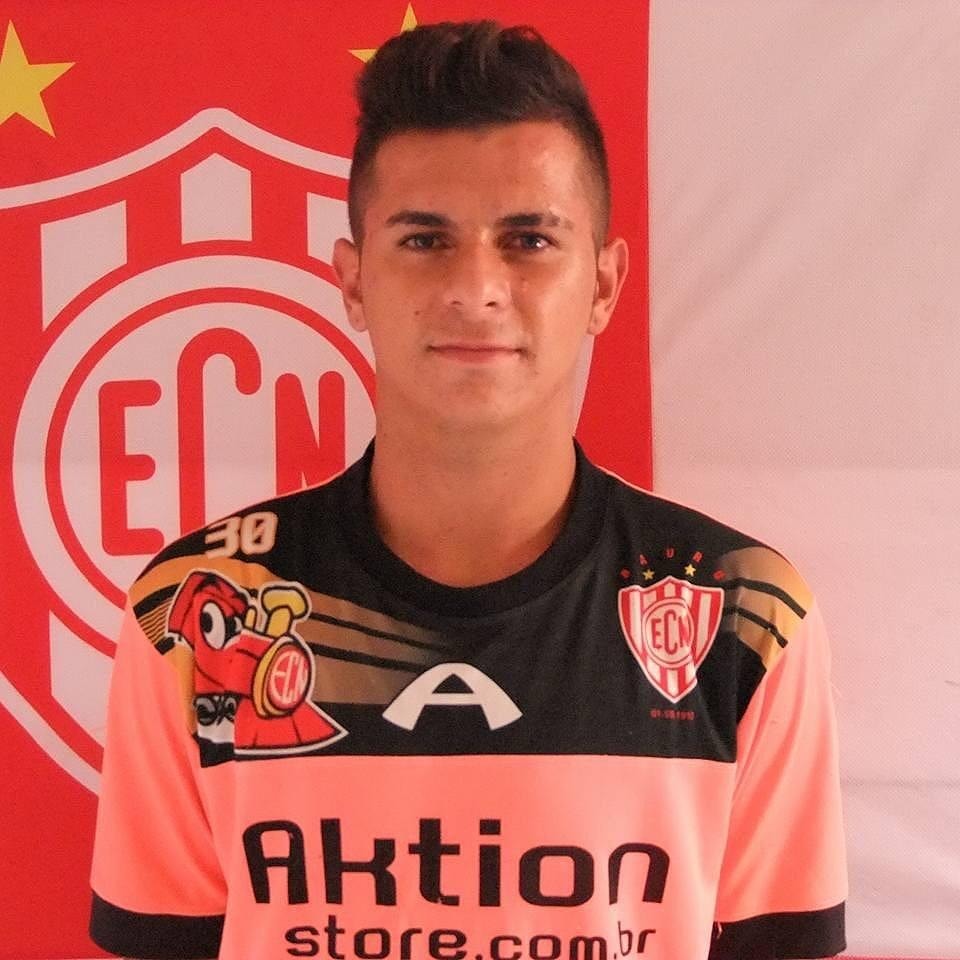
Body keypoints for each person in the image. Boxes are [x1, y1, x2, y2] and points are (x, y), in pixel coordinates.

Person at [89, 20, 847, 960]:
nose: (477, 287)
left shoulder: (742, 615)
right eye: (424, 239)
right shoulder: (196, 612)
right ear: (353, 281)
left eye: (528, 239)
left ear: (603, 284)